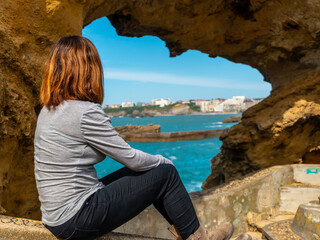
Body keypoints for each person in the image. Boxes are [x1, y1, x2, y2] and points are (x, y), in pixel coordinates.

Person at [34, 35, 252, 240]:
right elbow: (132, 158)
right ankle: (198, 237)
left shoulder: (49, 109)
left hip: (55, 217)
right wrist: (164, 161)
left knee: (152, 174)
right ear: (89, 71)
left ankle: (191, 234)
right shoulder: (84, 112)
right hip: (76, 217)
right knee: (165, 173)